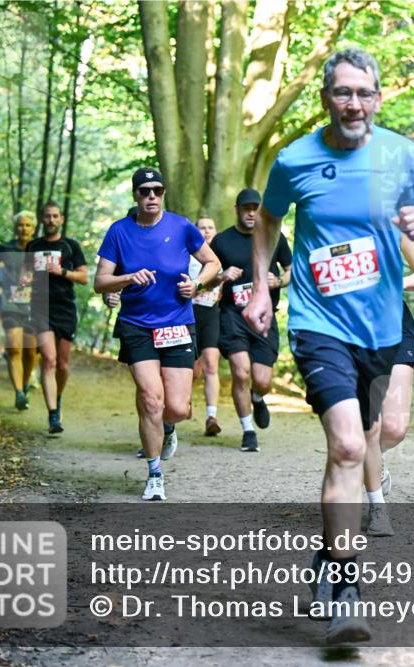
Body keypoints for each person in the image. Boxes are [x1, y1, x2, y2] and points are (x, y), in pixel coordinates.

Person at [243, 48, 414, 645]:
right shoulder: (295, 159)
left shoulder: (402, 154)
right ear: (326, 98)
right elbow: (270, 222)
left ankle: (328, 561)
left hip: (382, 329)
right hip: (318, 323)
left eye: (364, 93)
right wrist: (260, 288)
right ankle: (348, 594)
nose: (353, 103)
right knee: (351, 446)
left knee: (358, 449)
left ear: (378, 98)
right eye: (342, 93)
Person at [94, 168, 219, 502]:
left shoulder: (181, 227)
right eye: (145, 190)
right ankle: (154, 474)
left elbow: (212, 263)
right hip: (137, 324)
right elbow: (100, 281)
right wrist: (127, 278)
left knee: (176, 408)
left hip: (177, 322)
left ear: (163, 194)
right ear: (135, 195)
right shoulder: (119, 232)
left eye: (158, 190)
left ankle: (168, 427)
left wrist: (197, 284)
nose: (152, 196)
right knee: (151, 398)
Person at [210, 188, 292, 451]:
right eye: (246, 208)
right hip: (232, 316)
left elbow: (292, 271)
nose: (251, 212)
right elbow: (205, 276)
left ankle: (258, 398)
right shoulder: (221, 242)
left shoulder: (274, 237)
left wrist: (278, 280)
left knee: (262, 380)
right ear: (237, 209)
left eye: (255, 208)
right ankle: (248, 431)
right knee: (240, 372)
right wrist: (221, 275)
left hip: (264, 317)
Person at [361, 236, 414, 533]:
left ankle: (372, 460)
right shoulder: (335, 223)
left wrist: (396, 285)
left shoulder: (392, 226)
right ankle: (377, 506)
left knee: (395, 428)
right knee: (369, 425)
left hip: (395, 323)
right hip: (354, 325)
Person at [27, 201, 88, 434]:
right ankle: (53, 415)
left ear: (61, 219)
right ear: (42, 219)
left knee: (62, 364)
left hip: (65, 308)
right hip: (40, 307)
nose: (51, 220)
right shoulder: (33, 246)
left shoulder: (71, 246)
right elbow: (24, 275)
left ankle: (58, 396)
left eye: (55, 216)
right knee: (49, 360)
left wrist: (61, 271)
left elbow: (84, 278)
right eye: (47, 216)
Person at [0, 211, 38, 410]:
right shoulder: (6, 248)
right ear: (15, 227)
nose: (23, 228)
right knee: (14, 348)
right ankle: (18, 393)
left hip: (35, 304)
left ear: (33, 229)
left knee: (30, 353)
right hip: (11, 302)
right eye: (20, 225)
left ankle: (24, 385)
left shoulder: (40, 248)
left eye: (27, 225)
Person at [189, 217, 224, 436]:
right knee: (192, 371)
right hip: (189, 314)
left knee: (211, 364)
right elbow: (190, 289)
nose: (207, 231)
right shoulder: (187, 256)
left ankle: (212, 417)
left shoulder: (223, 256)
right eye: (202, 227)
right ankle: (184, 401)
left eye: (211, 227)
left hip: (212, 313)